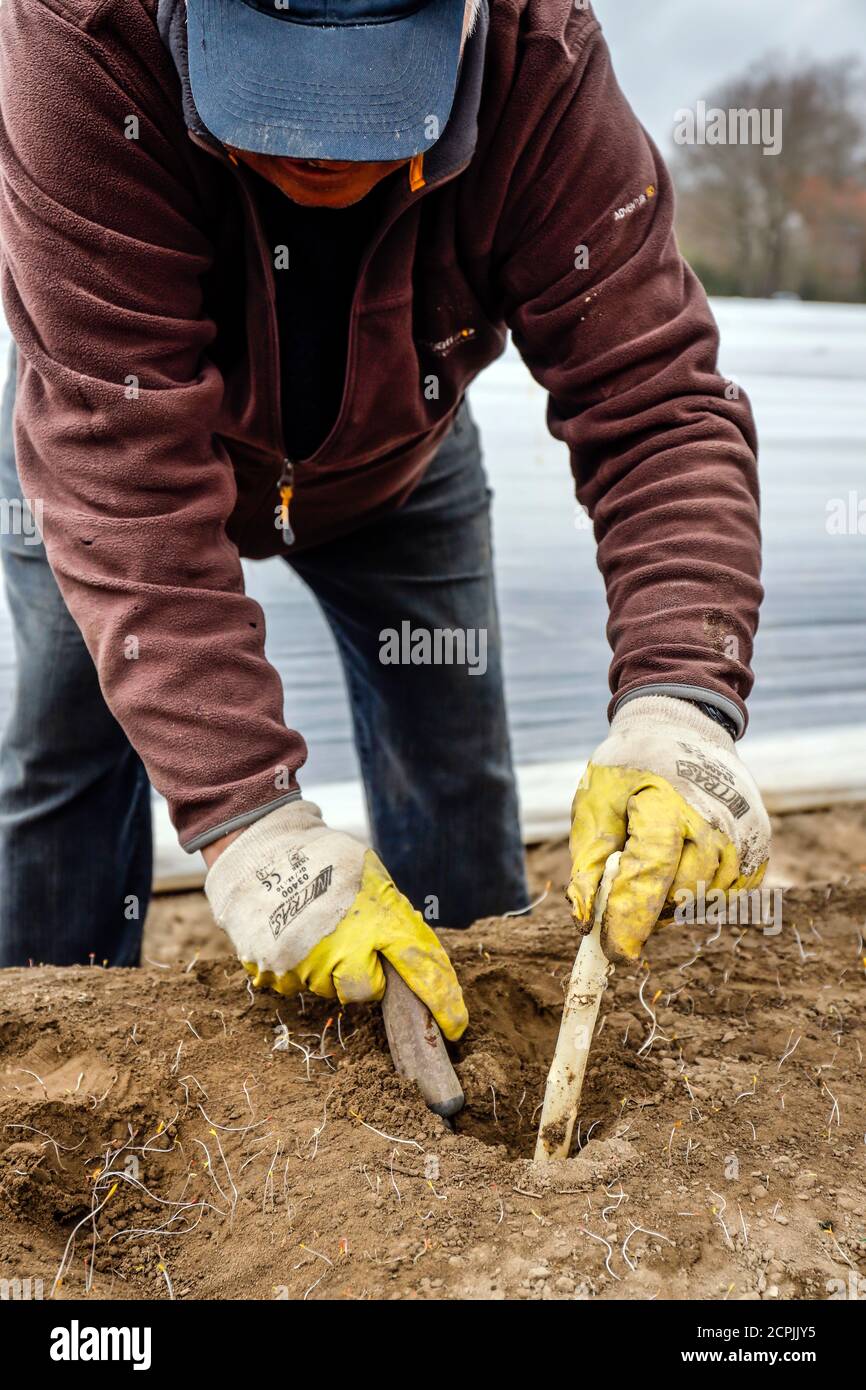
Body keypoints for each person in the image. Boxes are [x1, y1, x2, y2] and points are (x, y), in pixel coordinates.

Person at [0, 0, 769, 1038]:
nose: (317, 147)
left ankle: (470, 1064)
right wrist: (253, 828)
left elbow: (656, 404)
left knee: (450, 770)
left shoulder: (534, 61)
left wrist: (681, 697)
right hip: (115, 435)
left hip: (397, 465)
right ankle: (54, 1064)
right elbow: (120, 469)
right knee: (64, 752)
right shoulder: (80, 39)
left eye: (370, 94)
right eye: (277, 95)